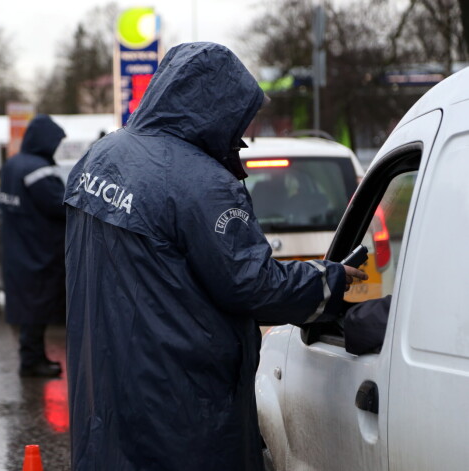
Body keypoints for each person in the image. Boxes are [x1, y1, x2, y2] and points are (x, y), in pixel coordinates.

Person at [63, 42, 367, 471]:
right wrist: (328, 280)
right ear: (216, 107)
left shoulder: (101, 157)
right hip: (180, 403)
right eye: (241, 117)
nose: (243, 131)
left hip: (104, 389)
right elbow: (254, 285)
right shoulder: (203, 183)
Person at [0, 114, 67, 378]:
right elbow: (60, 204)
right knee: (37, 306)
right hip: (39, 247)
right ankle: (32, 362)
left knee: (29, 305)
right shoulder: (37, 170)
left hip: (18, 246)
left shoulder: (13, 164)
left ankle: (32, 357)